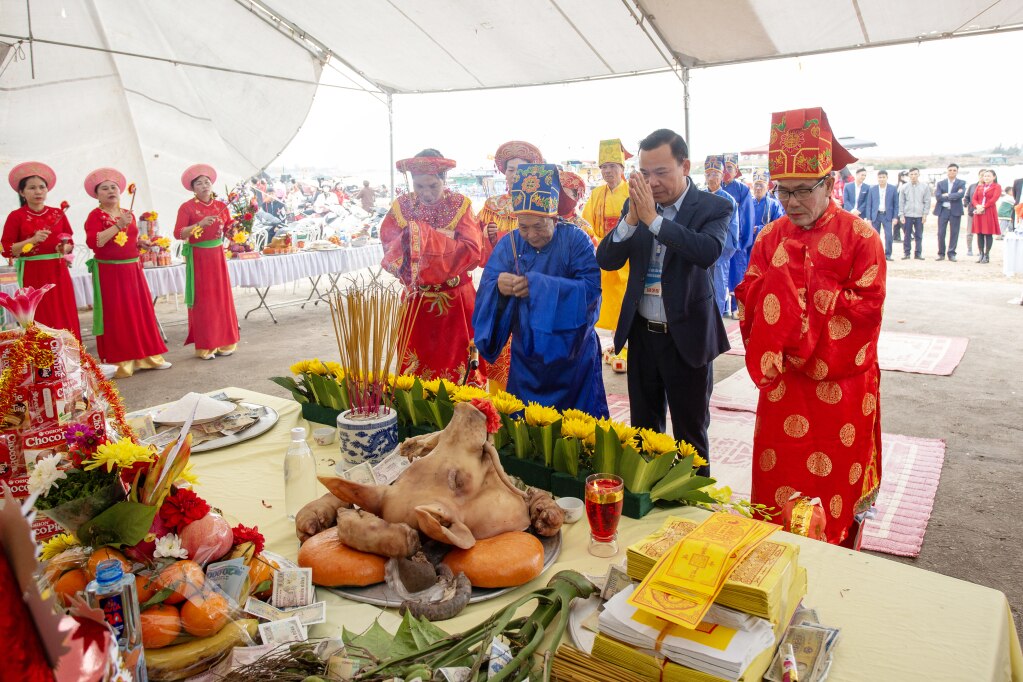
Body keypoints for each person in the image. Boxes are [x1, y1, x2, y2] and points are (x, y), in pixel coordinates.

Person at [735, 106, 886, 548]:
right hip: (784, 386)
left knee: (834, 490)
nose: (792, 203)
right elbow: (747, 298)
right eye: (783, 192)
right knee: (777, 483)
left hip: (839, 390)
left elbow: (867, 309)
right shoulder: (769, 237)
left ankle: (836, 555)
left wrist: (803, 289)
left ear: (830, 183)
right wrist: (777, 293)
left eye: (803, 191)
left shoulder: (861, 237)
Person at [595, 129, 732, 476]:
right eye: (645, 173)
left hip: (686, 335)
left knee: (690, 435)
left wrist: (654, 221)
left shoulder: (714, 206)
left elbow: (707, 252)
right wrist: (631, 220)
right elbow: (607, 259)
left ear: (684, 166)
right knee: (644, 432)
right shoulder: (635, 205)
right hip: (643, 334)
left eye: (661, 172)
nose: (652, 182)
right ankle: (648, 500)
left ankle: (693, 506)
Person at [474, 163, 608, 416]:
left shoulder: (576, 240)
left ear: (554, 218)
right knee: (526, 430)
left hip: (573, 353)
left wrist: (537, 286)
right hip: (527, 353)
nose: (530, 235)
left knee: (577, 431)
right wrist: (499, 287)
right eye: (523, 226)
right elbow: (487, 288)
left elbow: (591, 291)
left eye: (539, 226)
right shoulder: (510, 243)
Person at [381, 150, 484, 384]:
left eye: (432, 186)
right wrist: (429, 239)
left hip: (456, 299)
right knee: (418, 365)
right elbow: (389, 246)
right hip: (417, 300)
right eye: (419, 186)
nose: (425, 194)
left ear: (444, 179)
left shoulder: (460, 205)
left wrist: (425, 238)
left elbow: (472, 251)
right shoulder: (401, 207)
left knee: (460, 364)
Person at [83, 168, 170, 377]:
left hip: (133, 268)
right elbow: (94, 242)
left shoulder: (127, 214)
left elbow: (129, 239)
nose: (111, 190)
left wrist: (141, 243)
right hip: (109, 271)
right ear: (97, 195)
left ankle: (149, 357)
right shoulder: (95, 215)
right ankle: (121, 362)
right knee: (117, 314)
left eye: (114, 187)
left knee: (140, 311)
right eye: (104, 188)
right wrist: (117, 227)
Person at [2, 163, 80, 340]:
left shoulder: (58, 213)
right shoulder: (16, 216)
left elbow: (70, 242)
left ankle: (72, 359)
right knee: (40, 314)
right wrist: (31, 240)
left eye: (41, 187)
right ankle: (44, 361)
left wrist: (64, 248)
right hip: (33, 273)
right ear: (22, 193)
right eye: (32, 188)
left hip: (58, 270)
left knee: (64, 310)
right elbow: (7, 250)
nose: (38, 192)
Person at [174, 164, 240, 360]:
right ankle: (206, 346)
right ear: (193, 188)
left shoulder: (221, 206)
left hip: (218, 255)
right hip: (199, 257)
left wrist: (235, 229)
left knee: (221, 297)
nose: (204, 185)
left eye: (207, 182)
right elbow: (178, 233)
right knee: (204, 300)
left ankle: (226, 342)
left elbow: (228, 229)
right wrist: (199, 224)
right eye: (199, 183)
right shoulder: (187, 207)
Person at [582, 139, 633, 332]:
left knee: (625, 303)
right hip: (603, 255)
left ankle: (625, 346)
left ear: (621, 167)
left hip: (627, 260)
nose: (607, 171)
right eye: (603, 167)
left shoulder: (631, 191)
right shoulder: (596, 194)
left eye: (612, 166)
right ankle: (613, 343)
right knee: (605, 306)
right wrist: (601, 244)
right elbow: (586, 225)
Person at [477, 141, 544, 266]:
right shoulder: (493, 205)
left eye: (521, 170)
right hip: (501, 269)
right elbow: (475, 238)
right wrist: (488, 235)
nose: (515, 175)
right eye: (511, 170)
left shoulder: (541, 202)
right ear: (505, 173)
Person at [703, 156, 740, 317]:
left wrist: (721, 252)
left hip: (720, 253)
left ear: (721, 175)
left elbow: (733, 230)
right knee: (700, 289)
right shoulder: (699, 197)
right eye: (708, 174)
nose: (711, 178)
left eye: (715, 174)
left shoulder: (729, 200)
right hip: (700, 251)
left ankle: (716, 328)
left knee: (718, 289)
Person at [721, 153, 756, 317]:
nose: (726, 171)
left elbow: (746, 216)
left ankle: (736, 307)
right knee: (719, 276)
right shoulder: (716, 188)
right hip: (718, 240)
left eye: (730, 168)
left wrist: (743, 241)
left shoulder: (743, 190)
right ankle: (721, 307)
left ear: (736, 171)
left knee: (737, 276)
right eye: (724, 168)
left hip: (736, 241)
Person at [933, 163, 966, 261]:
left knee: (954, 232)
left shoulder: (961, 183)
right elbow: (938, 196)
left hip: (955, 210)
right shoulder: (940, 183)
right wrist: (953, 195)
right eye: (950, 170)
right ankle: (941, 253)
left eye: (954, 170)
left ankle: (951, 253)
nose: (952, 172)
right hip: (943, 210)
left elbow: (961, 195)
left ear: (957, 172)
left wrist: (947, 195)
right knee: (941, 232)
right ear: (947, 171)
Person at [557, 170, 598, 245]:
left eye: (564, 193)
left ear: (576, 197)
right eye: (557, 192)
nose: (559, 196)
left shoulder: (583, 228)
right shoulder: (543, 220)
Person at [898, 168, 930, 260]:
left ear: (919, 175)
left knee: (919, 235)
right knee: (907, 235)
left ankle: (918, 253)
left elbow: (927, 201)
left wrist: (925, 214)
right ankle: (906, 253)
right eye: (911, 174)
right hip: (907, 215)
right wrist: (901, 215)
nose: (913, 176)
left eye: (915, 174)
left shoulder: (924, 187)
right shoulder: (904, 187)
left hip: (919, 215)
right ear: (908, 175)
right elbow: (901, 202)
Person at [970, 169, 1001, 264]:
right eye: (985, 176)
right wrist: (977, 206)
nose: (986, 178)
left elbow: (994, 198)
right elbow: (974, 198)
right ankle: (981, 254)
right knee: (979, 233)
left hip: (989, 211)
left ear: (994, 177)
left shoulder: (997, 186)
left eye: (988, 176)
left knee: (988, 233)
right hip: (979, 211)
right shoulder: (980, 187)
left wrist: (984, 206)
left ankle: (987, 255)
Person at [868, 170, 898, 261]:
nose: (881, 179)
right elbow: (869, 204)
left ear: (887, 178)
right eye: (880, 177)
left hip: (887, 215)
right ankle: (876, 254)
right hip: (875, 215)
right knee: (875, 236)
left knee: (888, 236)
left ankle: (888, 254)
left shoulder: (892, 188)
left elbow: (896, 204)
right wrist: (869, 218)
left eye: (883, 177)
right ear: (877, 178)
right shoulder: (872, 189)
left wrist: (895, 217)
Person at [750, 168, 785, 242]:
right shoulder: (747, 204)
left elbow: (779, 225)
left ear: (767, 188)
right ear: (752, 187)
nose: (758, 188)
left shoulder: (774, 205)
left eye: (761, 185)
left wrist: (759, 229)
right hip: (748, 244)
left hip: (767, 242)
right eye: (756, 185)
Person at [964, 169, 984, 257]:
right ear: (978, 175)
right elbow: (967, 196)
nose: (983, 177)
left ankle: (981, 250)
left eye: (985, 175)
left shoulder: (989, 187)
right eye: (981, 175)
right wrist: (966, 203)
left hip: (984, 213)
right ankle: (969, 249)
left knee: (982, 232)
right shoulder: (972, 186)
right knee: (969, 232)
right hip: (972, 212)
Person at [892, 170, 908, 242]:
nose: (904, 177)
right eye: (902, 176)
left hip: (904, 206)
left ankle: (908, 235)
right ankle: (896, 236)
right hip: (896, 206)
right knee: (897, 221)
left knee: (902, 221)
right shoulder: (897, 185)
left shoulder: (907, 185)